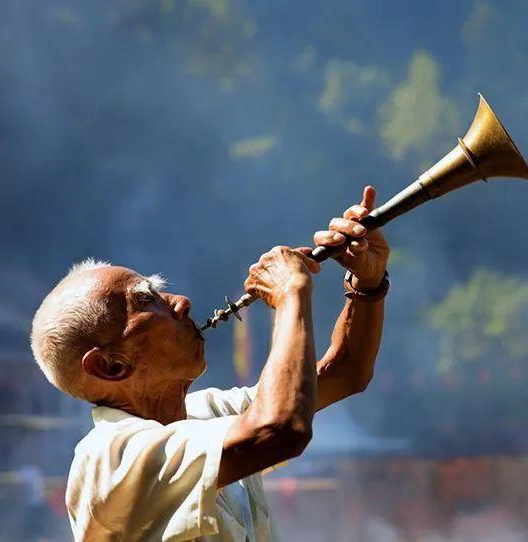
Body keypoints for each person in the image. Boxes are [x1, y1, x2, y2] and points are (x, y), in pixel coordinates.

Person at [30, 186, 390, 541]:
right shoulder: (109, 458)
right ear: (110, 366)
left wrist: (367, 284)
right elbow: (279, 429)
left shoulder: (205, 413)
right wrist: (291, 291)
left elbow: (345, 374)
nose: (181, 302)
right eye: (144, 301)